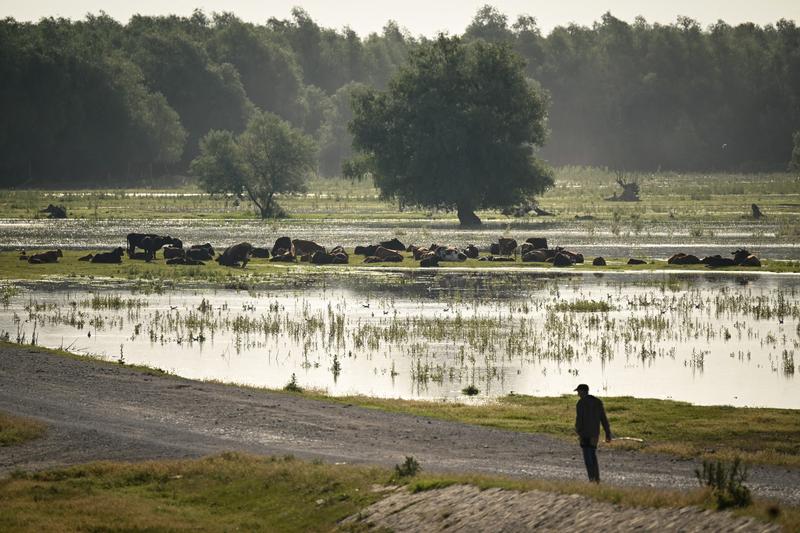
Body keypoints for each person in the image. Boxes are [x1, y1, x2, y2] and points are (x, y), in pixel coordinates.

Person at [574, 383, 612, 482]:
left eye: (578, 391)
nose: (578, 393)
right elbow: (603, 418)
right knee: (593, 456)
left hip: (585, 434)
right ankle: (597, 478)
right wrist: (607, 432)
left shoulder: (581, 403)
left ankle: (592, 479)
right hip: (595, 434)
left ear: (583, 391)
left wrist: (578, 431)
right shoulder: (598, 402)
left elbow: (579, 420)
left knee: (587, 457)